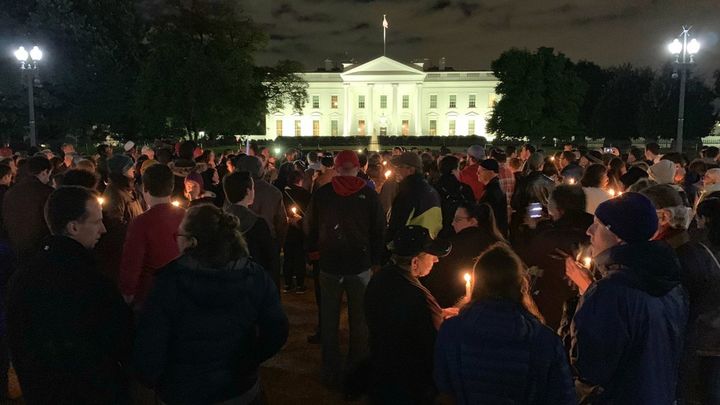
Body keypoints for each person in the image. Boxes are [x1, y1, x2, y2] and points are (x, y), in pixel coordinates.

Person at [133, 204, 288, 404]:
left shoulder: (169, 282)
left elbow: (150, 346)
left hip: (184, 392)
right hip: (239, 390)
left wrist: (154, 379)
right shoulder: (254, 275)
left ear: (192, 242)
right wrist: (249, 360)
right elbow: (277, 330)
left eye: (179, 237)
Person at [6, 186, 133, 404]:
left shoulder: (21, 279)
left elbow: (18, 345)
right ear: (73, 227)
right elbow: (123, 343)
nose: (103, 229)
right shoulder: (92, 284)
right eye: (96, 221)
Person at [567, 192, 688, 404]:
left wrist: (586, 297)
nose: (589, 231)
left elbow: (590, 367)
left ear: (618, 235)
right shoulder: (672, 285)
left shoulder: (610, 293)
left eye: (598, 224)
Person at [435, 244, 575, 405]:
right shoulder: (544, 340)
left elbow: (444, 389)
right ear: (520, 285)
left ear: (477, 284)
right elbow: (562, 396)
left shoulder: (452, 332)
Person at [305, 150, 385, 388]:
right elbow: (379, 231)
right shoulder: (369, 196)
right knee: (359, 320)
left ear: (337, 169)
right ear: (358, 168)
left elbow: (309, 226)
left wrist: (313, 253)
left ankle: (330, 370)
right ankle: (356, 370)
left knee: (328, 319)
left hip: (329, 262)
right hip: (359, 264)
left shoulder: (322, 194)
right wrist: (376, 260)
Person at [641, 185, 720, 404]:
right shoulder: (694, 247)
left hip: (693, 354)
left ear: (664, 217)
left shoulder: (673, 257)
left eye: (642, 215)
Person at [365, 225, 452, 404]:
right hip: (412, 385)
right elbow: (434, 343)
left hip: (382, 375)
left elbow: (400, 320)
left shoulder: (379, 280)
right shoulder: (418, 296)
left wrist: (438, 313)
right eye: (430, 255)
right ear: (414, 262)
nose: (436, 260)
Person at [522, 185, 594, 332]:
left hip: (554, 302)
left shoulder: (551, 237)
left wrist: (532, 228)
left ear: (560, 209)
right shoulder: (594, 230)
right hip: (589, 303)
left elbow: (526, 257)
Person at [119, 164, 185, 311]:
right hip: (182, 293)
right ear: (172, 187)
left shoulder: (140, 223)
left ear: (145, 189)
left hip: (151, 298)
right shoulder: (186, 216)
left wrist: (127, 295)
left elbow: (131, 265)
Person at [423, 203, 506, 308]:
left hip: (455, 305)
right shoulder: (498, 243)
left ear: (473, 221)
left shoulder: (453, 246)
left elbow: (437, 280)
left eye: (458, 220)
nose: (453, 224)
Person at [224, 171, 280, 289]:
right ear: (248, 191)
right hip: (252, 283)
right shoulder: (258, 223)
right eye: (253, 188)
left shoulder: (218, 221)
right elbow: (269, 259)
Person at [2, 156, 54, 262]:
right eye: (49, 174)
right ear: (45, 172)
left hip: (15, 246)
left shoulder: (11, 191)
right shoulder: (47, 193)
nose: (48, 179)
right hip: (40, 247)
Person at [387, 151, 442, 242]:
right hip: (428, 244)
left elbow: (397, 225)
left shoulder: (408, 193)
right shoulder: (430, 190)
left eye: (400, 167)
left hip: (410, 246)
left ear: (411, 170)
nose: (395, 170)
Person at [235, 155, 288, 247]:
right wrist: (279, 244)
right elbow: (281, 223)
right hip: (268, 241)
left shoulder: (233, 189)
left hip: (241, 240)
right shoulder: (274, 192)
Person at [281, 169, 312, 293]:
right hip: (300, 229)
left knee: (288, 256)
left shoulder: (282, 194)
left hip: (287, 229)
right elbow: (309, 214)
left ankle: (287, 283)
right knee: (299, 256)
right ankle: (300, 284)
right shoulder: (306, 194)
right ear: (300, 180)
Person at [433, 155, 475, 239]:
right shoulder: (464, 189)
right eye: (458, 169)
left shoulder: (433, 188)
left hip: (438, 232)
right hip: (460, 231)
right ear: (453, 171)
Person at [478, 158, 508, 236]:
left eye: (480, 171)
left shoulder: (492, 191)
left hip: (493, 233)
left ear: (490, 172)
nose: (477, 173)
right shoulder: (495, 187)